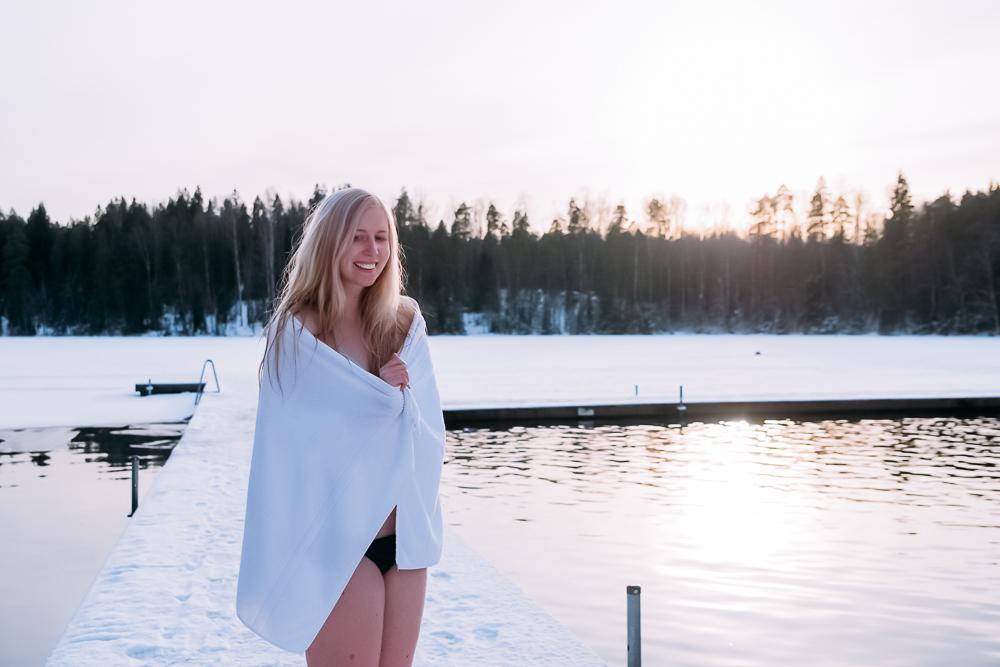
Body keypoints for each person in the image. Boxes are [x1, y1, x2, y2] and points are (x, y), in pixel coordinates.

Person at [245, 187, 438, 667]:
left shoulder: (404, 323)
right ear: (330, 242)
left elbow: (427, 425)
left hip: (406, 540)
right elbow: (294, 445)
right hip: (338, 544)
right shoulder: (299, 333)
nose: (372, 252)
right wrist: (377, 394)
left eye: (381, 238)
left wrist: (399, 394)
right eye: (357, 238)